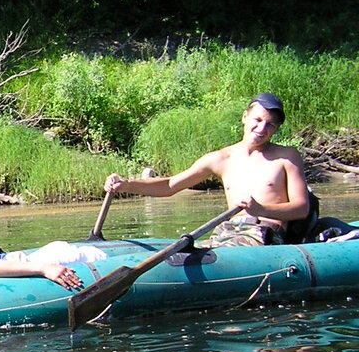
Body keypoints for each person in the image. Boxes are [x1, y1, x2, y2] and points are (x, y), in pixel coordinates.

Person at [103, 93, 311, 247]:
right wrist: (127, 185)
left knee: (223, 253)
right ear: (245, 117)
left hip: (263, 233)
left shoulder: (287, 156)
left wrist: (261, 209)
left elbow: (302, 208)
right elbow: (169, 185)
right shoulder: (221, 158)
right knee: (186, 252)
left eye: (270, 125)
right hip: (227, 232)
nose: (262, 128)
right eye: (257, 120)